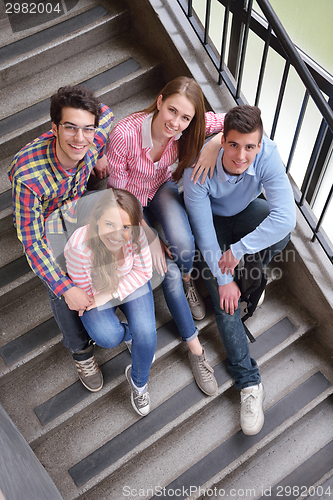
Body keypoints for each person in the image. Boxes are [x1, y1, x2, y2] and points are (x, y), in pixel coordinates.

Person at [105, 76, 225, 397]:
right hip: (128, 206)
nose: (176, 123)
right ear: (159, 102)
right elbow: (118, 195)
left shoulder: (189, 128)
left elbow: (245, 118)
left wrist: (216, 141)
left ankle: (188, 283)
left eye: (185, 117)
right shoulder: (125, 135)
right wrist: (147, 234)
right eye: (172, 111)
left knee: (185, 245)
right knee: (165, 271)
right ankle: (197, 350)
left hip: (160, 189)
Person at [183, 104, 296, 435]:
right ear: (223, 139)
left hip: (246, 214)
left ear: (260, 145)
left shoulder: (267, 153)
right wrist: (224, 279)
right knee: (225, 301)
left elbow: (285, 218)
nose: (241, 155)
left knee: (281, 232)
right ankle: (250, 382)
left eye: (250, 147)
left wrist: (239, 252)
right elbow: (204, 237)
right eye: (233, 145)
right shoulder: (198, 171)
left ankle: (253, 281)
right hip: (212, 224)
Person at [8, 85, 114, 393]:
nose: (80, 139)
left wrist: (99, 156)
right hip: (44, 223)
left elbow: (105, 113)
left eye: (87, 130)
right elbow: (31, 241)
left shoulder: (93, 140)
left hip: (75, 206)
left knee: (115, 208)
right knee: (59, 282)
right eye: (70, 128)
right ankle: (81, 351)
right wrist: (66, 287)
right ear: (54, 128)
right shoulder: (29, 177)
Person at [64, 189, 156, 416]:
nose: (118, 234)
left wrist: (112, 292)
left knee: (147, 333)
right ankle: (129, 336)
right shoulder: (78, 248)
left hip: (127, 282)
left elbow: (144, 271)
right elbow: (86, 295)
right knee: (107, 336)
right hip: (95, 291)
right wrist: (104, 295)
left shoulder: (135, 235)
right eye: (110, 224)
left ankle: (139, 382)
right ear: (96, 222)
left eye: (126, 227)